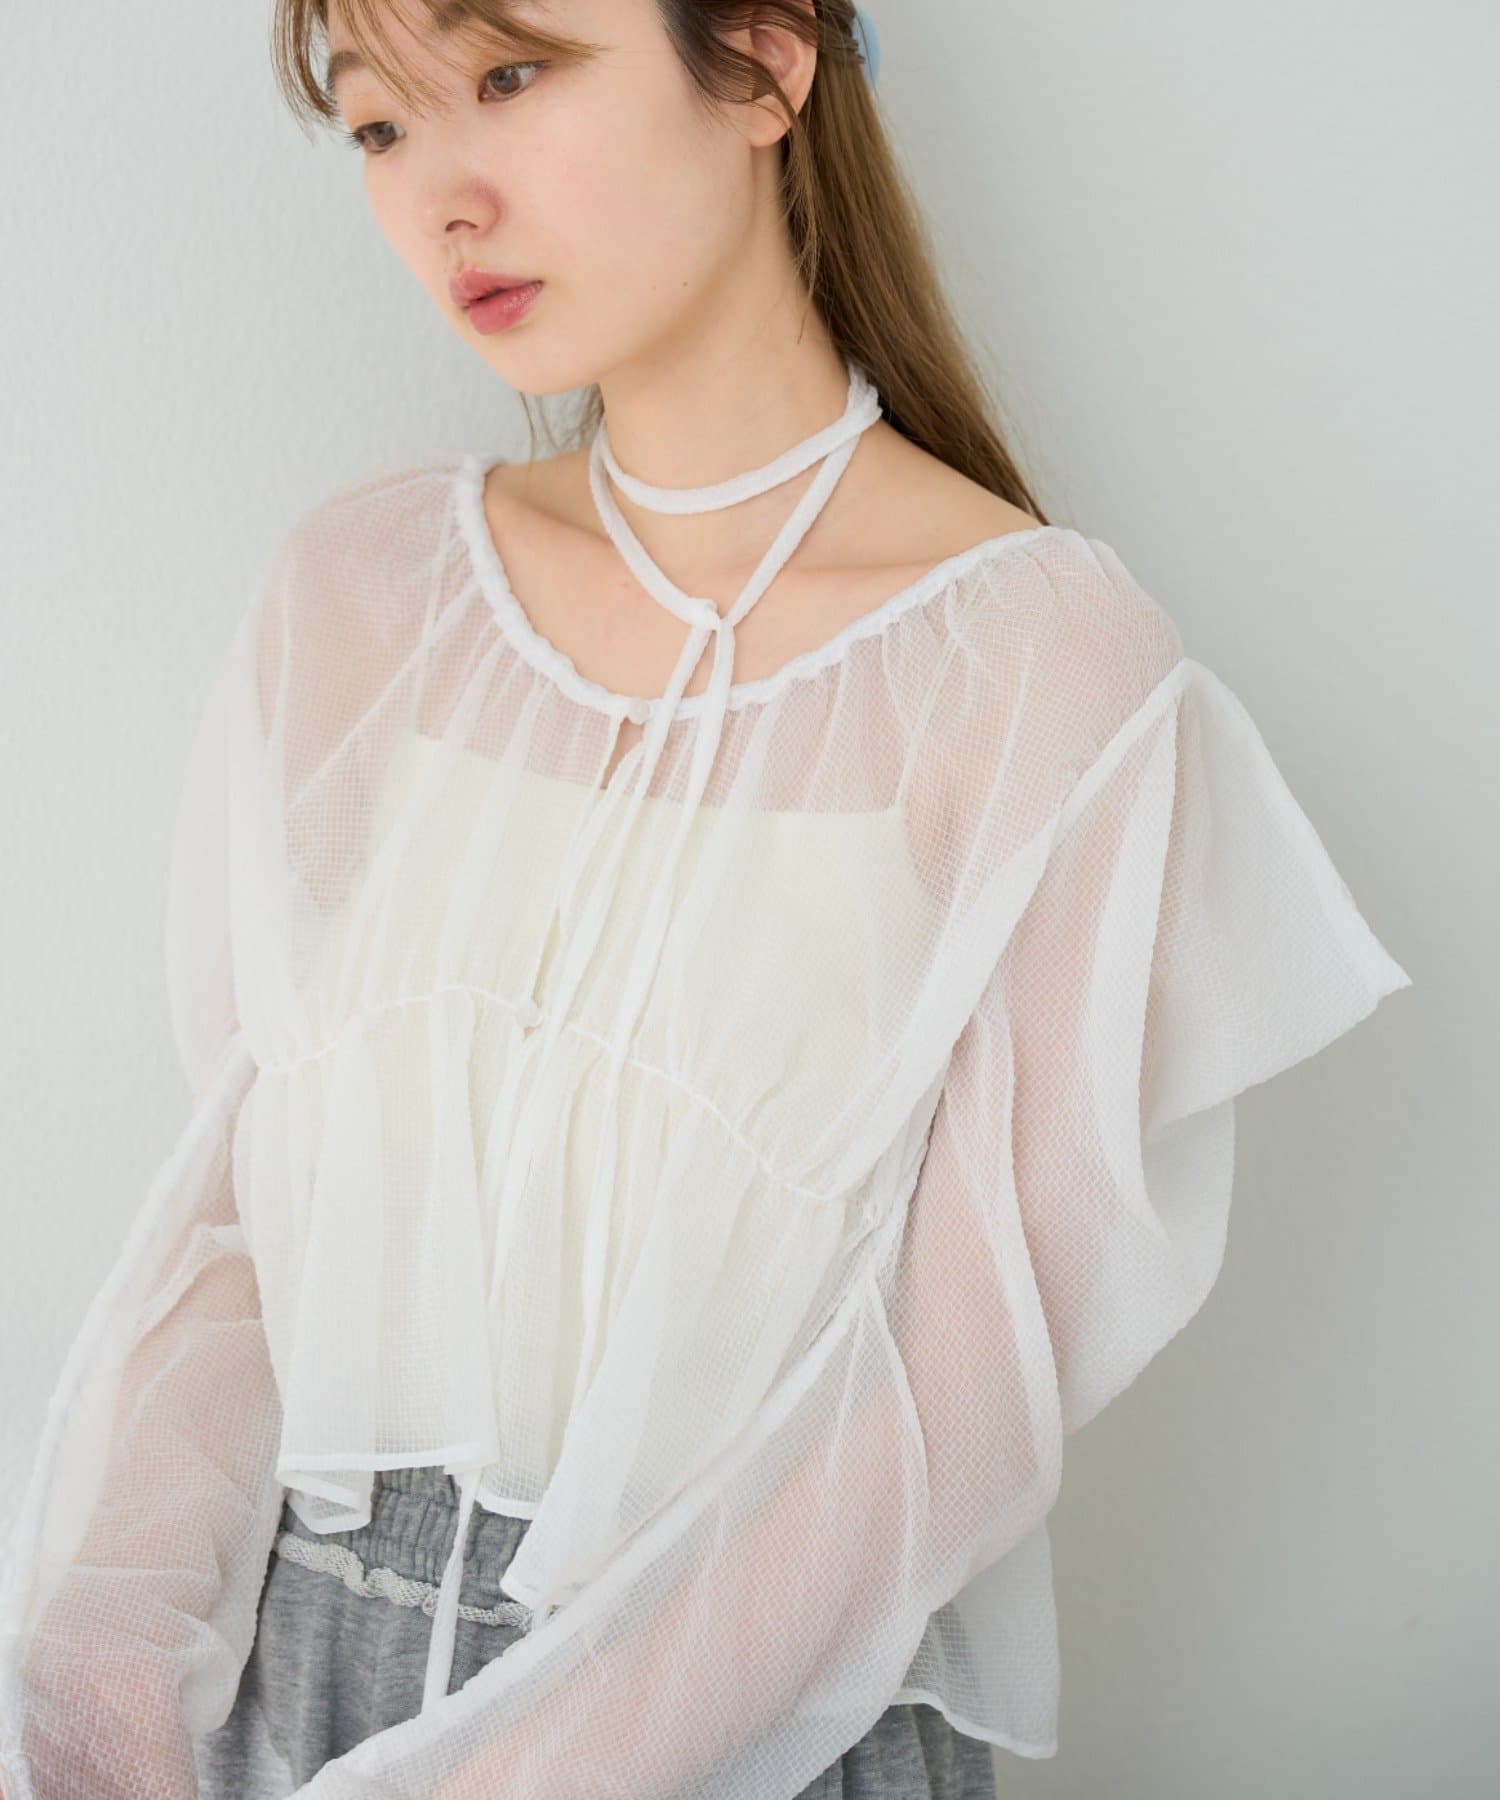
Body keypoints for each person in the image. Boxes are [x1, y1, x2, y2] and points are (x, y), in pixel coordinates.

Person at [0, 1, 1413, 1796]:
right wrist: (103, 1680)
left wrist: (512, 1777)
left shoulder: (1038, 662)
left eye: (509, 76)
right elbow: (245, 1232)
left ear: (762, 58)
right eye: (379, 128)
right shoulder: (364, 592)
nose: (443, 196)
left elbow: (956, 1397)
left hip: (759, 1725)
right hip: (297, 1686)